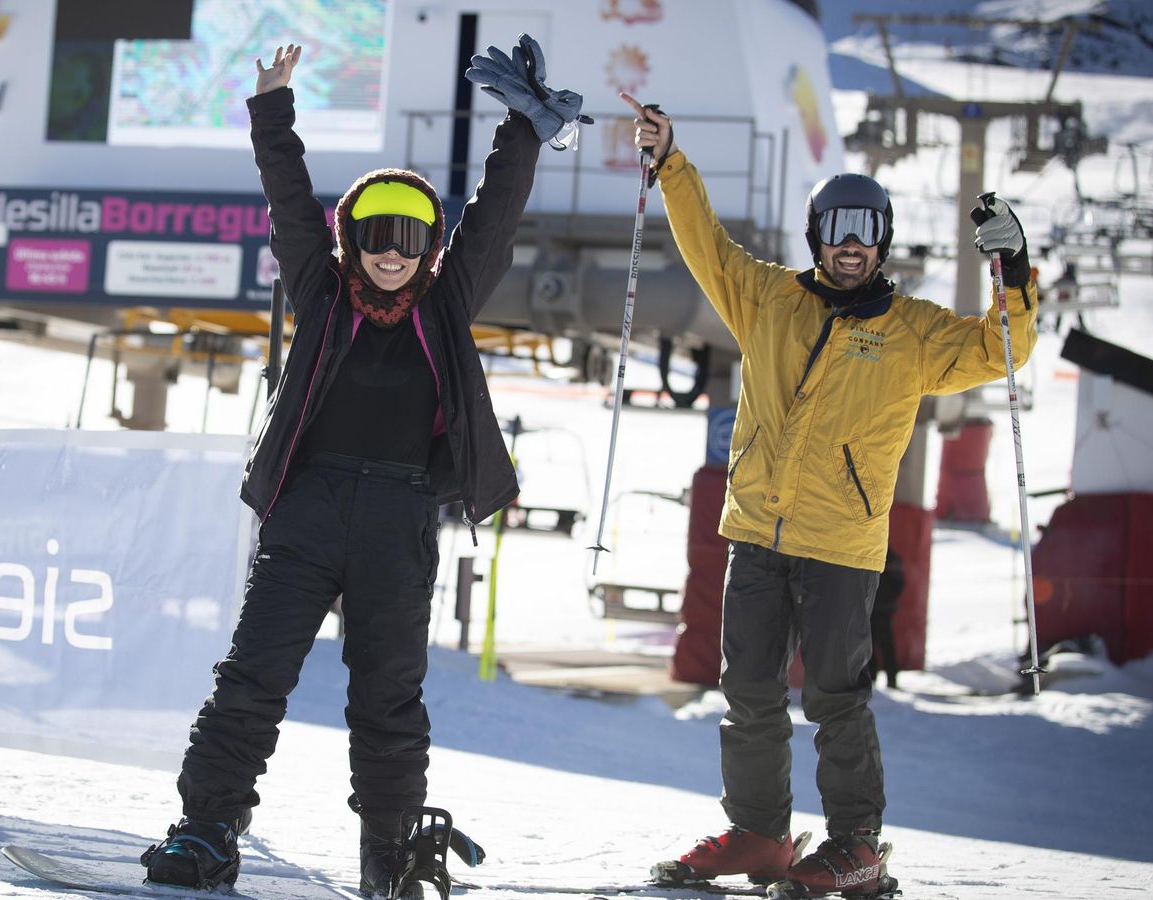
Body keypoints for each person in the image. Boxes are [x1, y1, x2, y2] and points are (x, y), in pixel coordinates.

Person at [141, 38, 586, 898]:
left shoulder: (448, 305)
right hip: (308, 509)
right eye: (376, 236)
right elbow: (287, 201)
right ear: (351, 238)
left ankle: (387, 852)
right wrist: (273, 109)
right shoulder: (322, 288)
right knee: (252, 676)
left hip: (399, 518)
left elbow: (493, 216)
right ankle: (206, 829)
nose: (392, 252)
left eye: (410, 237)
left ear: (429, 245)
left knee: (387, 698)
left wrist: (522, 133)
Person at [623, 95, 1038, 896]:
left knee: (834, 697)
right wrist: (669, 160)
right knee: (747, 691)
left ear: (882, 241)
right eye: (838, 226)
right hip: (756, 531)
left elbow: (1002, 348)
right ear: (818, 235)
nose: (852, 243)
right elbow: (706, 243)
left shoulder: (914, 333)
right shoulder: (769, 299)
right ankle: (759, 835)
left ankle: (858, 845)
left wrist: (1012, 274)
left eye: (867, 229)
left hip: (842, 544)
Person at [869, 548, 905, 689]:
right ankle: (877, 677)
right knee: (877, 644)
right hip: (879, 607)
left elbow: (899, 582)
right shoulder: (889, 556)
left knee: (880, 643)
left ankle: (884, 678)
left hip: (880, 608)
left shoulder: (884, 555)